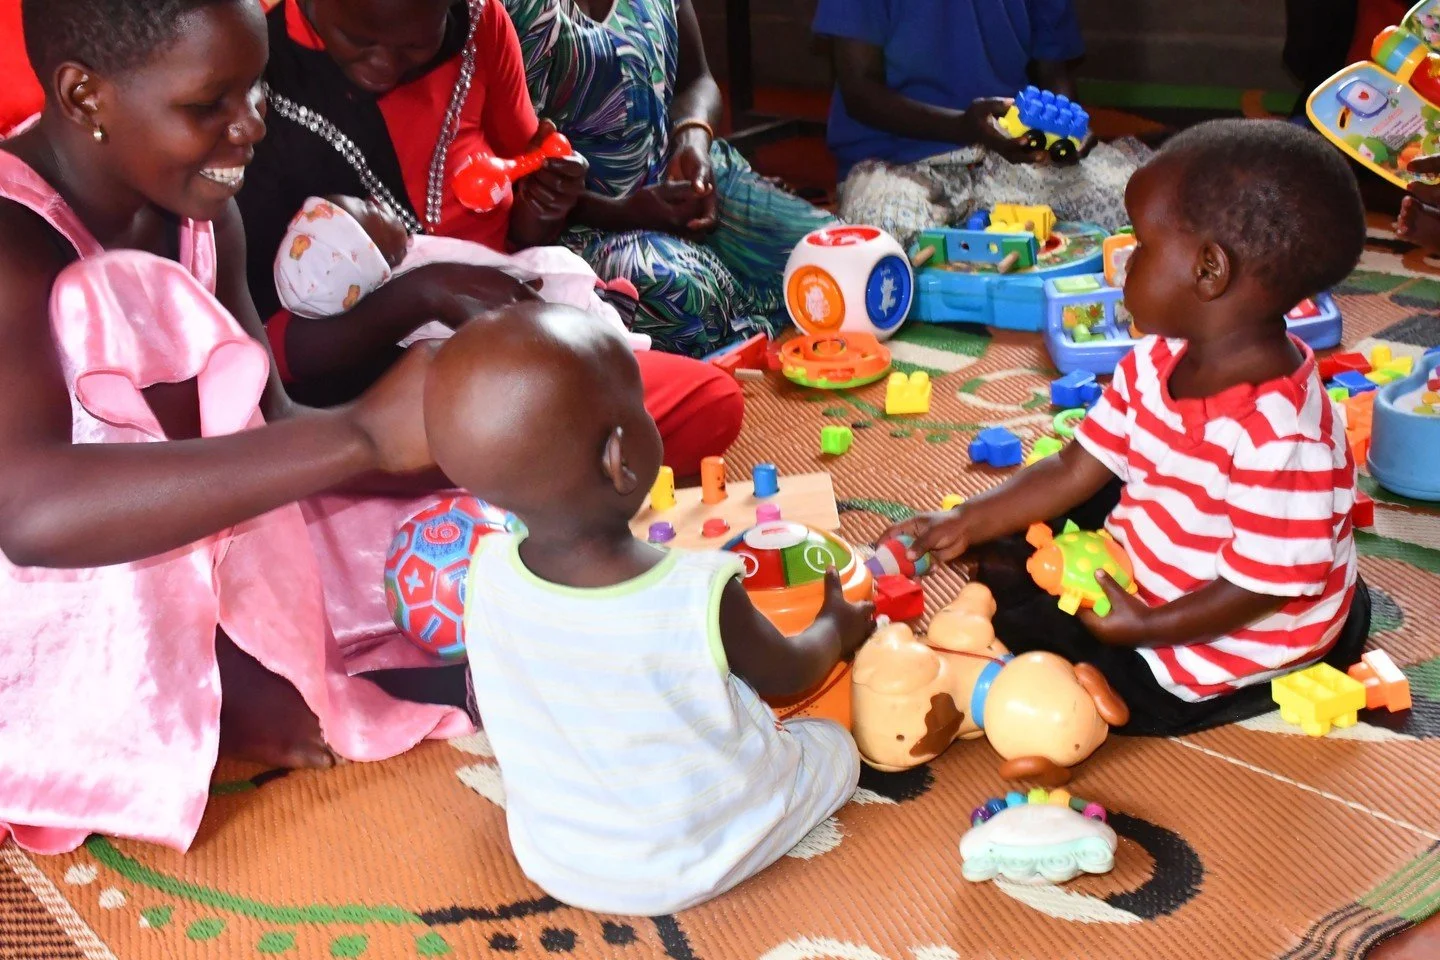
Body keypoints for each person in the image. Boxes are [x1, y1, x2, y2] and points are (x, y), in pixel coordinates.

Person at [0, 0, 475, 855]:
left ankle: (220, 655)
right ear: (83, 96)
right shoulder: (9, 243)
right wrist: (364, 433)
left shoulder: (204, 215)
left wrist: (452, 440)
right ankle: (191, 682)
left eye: (255, 88)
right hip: (37, 587)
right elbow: (29, 515)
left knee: (450, 541)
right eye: (207, 103)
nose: (250, 124)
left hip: (180, 542)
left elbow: (272, 427)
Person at [882, 120, 1373, 736]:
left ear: (1209, 272)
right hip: (1183, 551)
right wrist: (969, 518)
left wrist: (1144, 625)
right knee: (1084, 493)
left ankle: (1098, 667)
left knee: (1048, 652)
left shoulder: (1281, 437)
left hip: (1233, 633)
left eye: (1139, 246)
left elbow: (1262, 586)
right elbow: (1074, 466)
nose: (1122, 266)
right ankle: (1033, 569)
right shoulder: (1153, 359)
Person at [424, 302, 873, 914]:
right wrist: (834, 626)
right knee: (832, 747)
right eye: (641, 405)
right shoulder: (697, 591)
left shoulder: (486, 568)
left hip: (560, 856)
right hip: (693, 858)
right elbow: (788, 674)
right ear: (620, 459)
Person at [240, 0, 743, 472]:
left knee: (708, 402)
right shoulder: (259, 74)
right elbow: (270, 356)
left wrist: (542, 207)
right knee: (597, 430)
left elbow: (518, 213)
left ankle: (489, 478)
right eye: (357, 39)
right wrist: (426, 292)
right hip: (362, 390)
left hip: (502, 346)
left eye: (415, 46)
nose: (383, 66)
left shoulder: (480, 24)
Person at [502, 0, 838, 358]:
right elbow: (513, 179)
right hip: (579, 229)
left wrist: (692, 141)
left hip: (681, 180)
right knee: (686, 299)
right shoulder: (523, 10)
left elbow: (697, 80)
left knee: (829, 256)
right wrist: (625, 212)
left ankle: (733, 310)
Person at [812, 0, 1148, 248]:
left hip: (1007, 155)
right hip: (896, 161)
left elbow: (1054, 73)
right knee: (884, 238)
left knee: (1138, 205)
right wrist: (963, 127)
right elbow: (859, 89)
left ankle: (983, 223)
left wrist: (1067, 131)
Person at [274, 194, 648, 350]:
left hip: (527, 304)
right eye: (370, 209)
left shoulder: (396, 290)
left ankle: (610, 309)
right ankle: (621, 334)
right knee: (584, 321)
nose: (377, 200)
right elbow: (491, 276)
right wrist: (522, 276)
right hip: (531, 308)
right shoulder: (418, 268)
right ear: (371, 255)